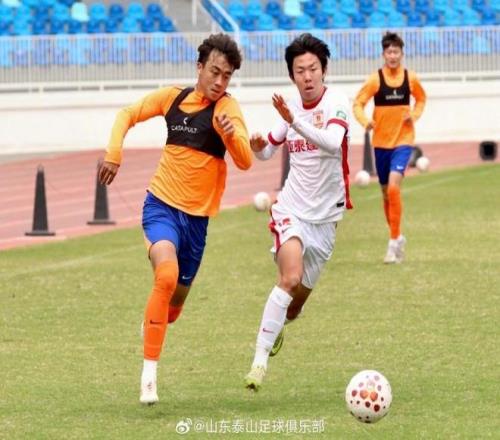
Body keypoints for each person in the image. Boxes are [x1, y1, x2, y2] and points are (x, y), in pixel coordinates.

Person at [98, 34, 252, 404]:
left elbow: (246, 160)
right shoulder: (173, 98)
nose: (219, 81)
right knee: (165, 275)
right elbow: (126, 114)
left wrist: (231, 137)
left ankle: (154, 323)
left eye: (227, 76)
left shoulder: (228, 110)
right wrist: (114, 153)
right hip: (161, 207)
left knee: (173, 308)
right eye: (214, 71)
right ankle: (149, 376)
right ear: (199, 67)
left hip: (197, 223)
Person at [244, 33, 352, 391]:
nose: (307, 76)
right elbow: (267, 153)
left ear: (324, 70)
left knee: (293, 306)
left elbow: (333, 143)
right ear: (292, 75)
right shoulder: (289, 108)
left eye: (313, 69)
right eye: (300, 71)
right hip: (290, 209)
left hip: (326, 219)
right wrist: (257, 147)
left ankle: (279, 323)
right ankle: (258, 362)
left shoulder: (336, 102)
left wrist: (295, 121)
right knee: (289, 278)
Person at [353, 32, 426, 264]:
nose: (393, 56)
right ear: (384, 54)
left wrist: (413, 115)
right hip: (381, 143)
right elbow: (358, 104)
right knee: (385, 192)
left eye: (396, 52)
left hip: (403, 141)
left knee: (394, 187)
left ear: (402, 54)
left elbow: (421, 99)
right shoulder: (375, 80)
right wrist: (366, 122)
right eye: (389, 52)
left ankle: (393, 242)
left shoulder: (410, 78)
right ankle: (397, 235)